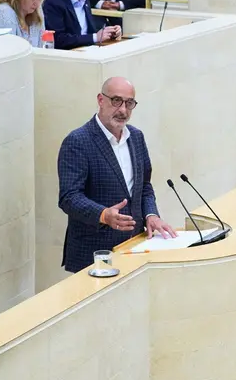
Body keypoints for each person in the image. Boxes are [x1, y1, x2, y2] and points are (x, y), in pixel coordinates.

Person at [57, 77, 176, 273]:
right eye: (116, 101)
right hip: (93, 254)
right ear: (100, 100)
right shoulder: (78, 141)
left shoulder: (136, 137)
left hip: (134, 247)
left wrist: (151, 214)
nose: (123, 110)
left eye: (129, 103)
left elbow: (144, 187)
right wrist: (103, 215)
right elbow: (69, 198)